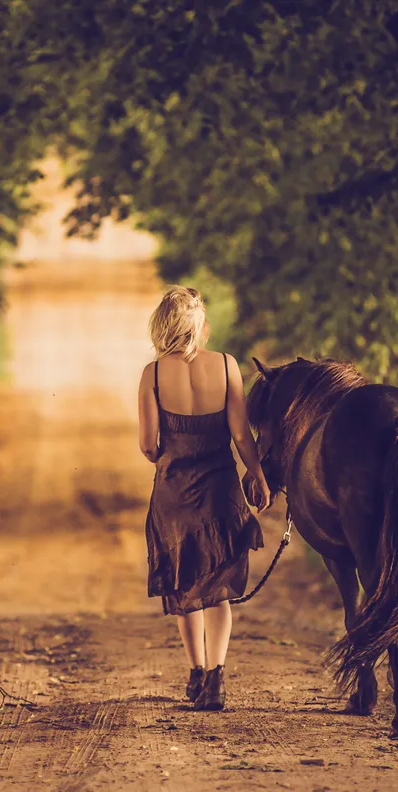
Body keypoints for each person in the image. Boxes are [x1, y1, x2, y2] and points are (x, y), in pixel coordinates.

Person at [139, 285, 271, 711]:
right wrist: (258, 473)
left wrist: (169, 457)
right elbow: (239, 434)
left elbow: (147, 444)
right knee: (218, 587)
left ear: (163, 325)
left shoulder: (153, 374)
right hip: (220, 491)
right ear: (199, 324)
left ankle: (196, 672)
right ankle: (216, 678)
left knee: (184, 581)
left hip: (174, 491)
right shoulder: (228, 365)